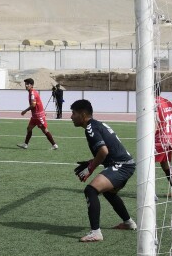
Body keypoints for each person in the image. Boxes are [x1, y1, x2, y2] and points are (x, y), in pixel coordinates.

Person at [70, 99, 137, 243]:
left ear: (82, 114)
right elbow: (107, 151)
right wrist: (90, 162)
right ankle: (128, 222)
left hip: (122, 165)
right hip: (126, 163)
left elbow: (103, 151)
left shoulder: (90, 128)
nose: (71, 117)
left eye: (73, 113)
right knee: (108, 192)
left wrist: (90, 168)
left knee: (91, 190)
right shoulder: (96, 124)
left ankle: (96, 233)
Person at [154, 90, 172, 199]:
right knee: (165, 165)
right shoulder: (167, 102)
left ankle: (150, 194)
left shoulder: (152, 103)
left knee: (148, 165)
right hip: (169, 139)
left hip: (157, 140)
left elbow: (154, 123)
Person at [17, 78, 58, 150]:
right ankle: (25, 144)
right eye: (25, 84)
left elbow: (33, 105)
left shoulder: (32, 93)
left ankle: (54, 145)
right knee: (29, 128)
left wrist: (25, 111)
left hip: (38, 116)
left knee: (44, 130)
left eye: (27, 84)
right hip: (35, 116)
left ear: (31, 85)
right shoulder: (31, 92)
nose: (26, 86)